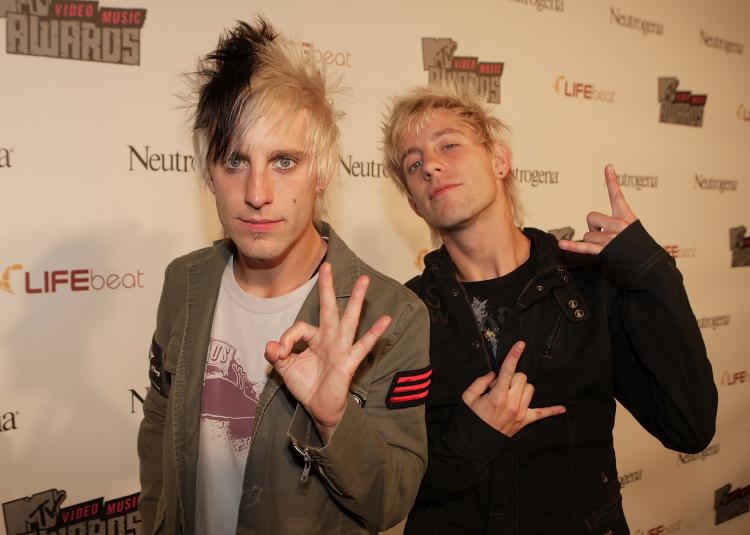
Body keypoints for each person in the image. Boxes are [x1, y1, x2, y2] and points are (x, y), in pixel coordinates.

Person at [381, 85, 717, 534]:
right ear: (412, 202)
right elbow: (383, 495)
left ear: (499, 160)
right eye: (414, 163)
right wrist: (474, 439)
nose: (432, 165)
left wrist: (651, 272)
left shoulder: (588, 283)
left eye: (449, 144)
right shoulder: (403, 315)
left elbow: (689, 429)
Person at [137, 19, 429, 535]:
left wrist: (336, 420)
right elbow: (160, 424)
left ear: (322, 171)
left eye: (284, 161)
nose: (256, 192)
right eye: (234, 160)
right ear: (208, 172)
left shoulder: (392, 316)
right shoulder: (184, 282)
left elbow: (392, 503)